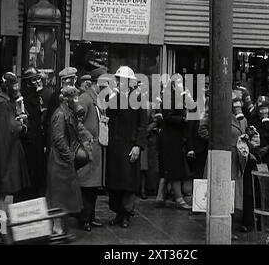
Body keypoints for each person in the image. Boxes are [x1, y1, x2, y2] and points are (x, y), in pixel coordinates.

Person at [106, 66, 148, 228]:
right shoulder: (113, 97)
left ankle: (126, 214)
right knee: (114, 183)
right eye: (118, 79)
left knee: (128, 183)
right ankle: (118, 213)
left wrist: (138, 146)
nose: (119, 82)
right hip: (114, 148)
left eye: (122, 80)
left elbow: (142, 125)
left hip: (130, 146)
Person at [46, 86, 84, 233]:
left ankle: (61, 225)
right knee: (58, 196)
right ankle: (56, 226)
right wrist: (70, 157)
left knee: (65, 195)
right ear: (66, 99)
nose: (76, 101)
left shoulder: (69, 112)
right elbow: (59, 139)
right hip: (59, 160)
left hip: (64, 160)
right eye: (74, 98)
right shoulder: (60, 114)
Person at [76, 68, 108, 232]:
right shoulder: (85, 98)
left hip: (97, 148)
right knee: (86, 185)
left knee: (93, 186)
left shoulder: (98, 98)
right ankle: (84, 218)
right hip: (88, 148)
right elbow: (77, 121)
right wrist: (88, 137)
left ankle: (91, 216)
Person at [0, 72, 30, 211]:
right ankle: (1, 226)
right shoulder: (2, 103)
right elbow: (10, 127)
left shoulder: (5, 101)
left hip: (9, 149)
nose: (16, 88)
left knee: (4, 187)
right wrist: (21, 123)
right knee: (3, 188)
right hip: (7, 150)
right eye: (14, 85)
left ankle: (2, 225)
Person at [158, 76, 192, 210]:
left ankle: (161, 197)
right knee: (174, 168)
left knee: (170, 168)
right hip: (170, 138)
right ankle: (178, 198)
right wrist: (183, 119)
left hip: (174, 137)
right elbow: (168, 116)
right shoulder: (169, 97)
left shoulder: (175, 97)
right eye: (179, 84)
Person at [20, 66, 46, 198]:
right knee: (29, 174)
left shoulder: (37, 97)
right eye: (34, 80)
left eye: (38, 79)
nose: (37, 82)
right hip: (29, 144)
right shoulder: (23, 99)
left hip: (37, 141)